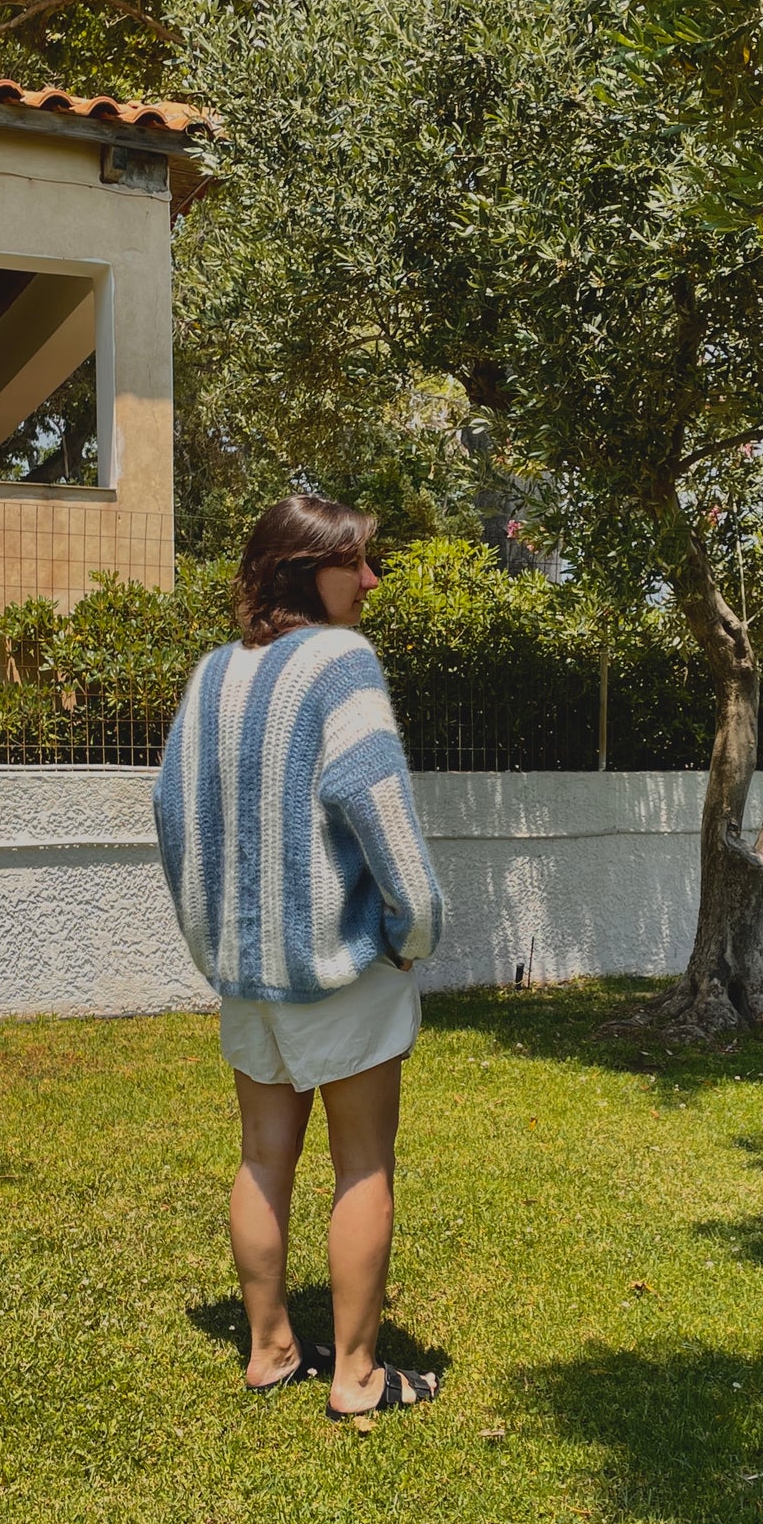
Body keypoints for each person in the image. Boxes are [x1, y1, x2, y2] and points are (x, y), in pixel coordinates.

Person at [153, 495, 444, 1419]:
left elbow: (171, 813)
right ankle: (358, 1376)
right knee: (363, 1164)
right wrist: (416, 926)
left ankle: (271, 1348)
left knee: (263, 1156)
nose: (369, 580)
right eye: (352, 561)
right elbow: (375, 801)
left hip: (247, 972)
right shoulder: (339, 660)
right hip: (338, 967)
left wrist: (212, 936)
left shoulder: (211, 674)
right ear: (298, 568)